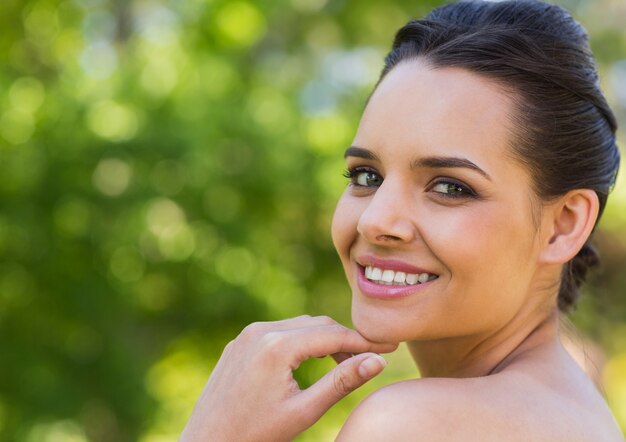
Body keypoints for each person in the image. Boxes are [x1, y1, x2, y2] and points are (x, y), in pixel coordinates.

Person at [181, 0, 624, 440]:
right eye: (366, 176)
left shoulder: (410, 424)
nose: (375, 220)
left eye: (450, 187)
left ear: (564, 224)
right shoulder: (578, 415)